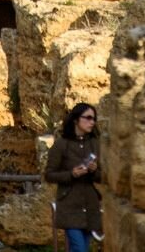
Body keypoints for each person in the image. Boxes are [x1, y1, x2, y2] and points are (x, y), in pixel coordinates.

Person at [43, 102, 101, 252]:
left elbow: (104, 176)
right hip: (69, 205)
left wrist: (94, 171)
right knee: (79, 248)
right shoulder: (62, 144)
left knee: (82, 248)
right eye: (87, 118)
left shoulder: (95, 144)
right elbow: (49, 175)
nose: (91, 122)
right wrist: (71, 174)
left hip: (90, 205)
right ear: (76, 119)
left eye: (93, 119)